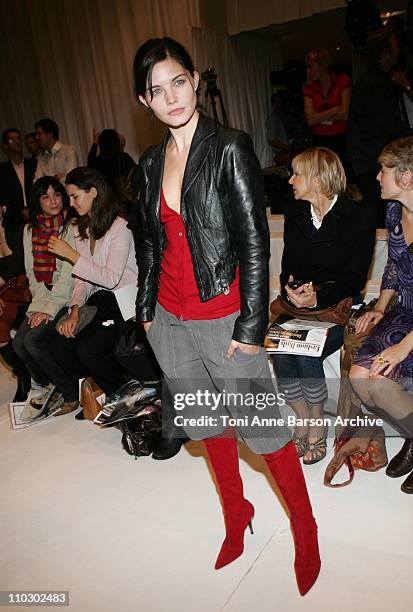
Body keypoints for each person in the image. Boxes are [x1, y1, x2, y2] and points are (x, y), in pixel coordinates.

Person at [129, 36, 320, 596]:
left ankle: (305, 531)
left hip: (224, 319)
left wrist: (250, 326)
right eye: (157, 91)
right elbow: (149, 245)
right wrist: (146, 312)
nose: (172, 98)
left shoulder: (230, 146)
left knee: (265, 430)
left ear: (193, 78)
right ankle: (237, 513)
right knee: (207, 424)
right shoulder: (147, 163)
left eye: (179, 83)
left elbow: (256, 244)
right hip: (169, 321)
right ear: (145, 102)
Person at [272, 147, 376, 464]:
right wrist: (293, 291)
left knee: (305, 351)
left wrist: (317, 296)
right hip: (300, 306)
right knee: (278, 346)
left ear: (317, 179)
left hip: (335, 305)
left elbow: (354, 278)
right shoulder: (296, 213)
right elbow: (288, 266)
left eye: (297, 173)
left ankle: (317, 423)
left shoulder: (359, 215)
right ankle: (302, 417)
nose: (290, 180)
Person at [46, 167, 138, 417]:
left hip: (124, 303)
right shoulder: (81, 227)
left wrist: (71, 255)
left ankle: (123, 399)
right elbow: (81, 280)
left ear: (94, 192)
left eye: (75, 196)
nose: (71, 203)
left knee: (87, 348)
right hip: (100, 303)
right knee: (58, 343)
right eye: (71, 197)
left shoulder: (121, 227)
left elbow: (110, 278)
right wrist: (75, 310)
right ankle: (100, 390)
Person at [350, 136, 413, 495]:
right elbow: (393, 265)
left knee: (381, 380)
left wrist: (403, 347)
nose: (377, 177)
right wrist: (378, 307)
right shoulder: (393, 212)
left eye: (384, 170)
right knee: (361, 379)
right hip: (403, 308)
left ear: (405, 177)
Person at [13, 177, 76, 418]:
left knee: (33, 342)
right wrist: (37, 306)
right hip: (44, 296)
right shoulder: (30, 229)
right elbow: (32, 273)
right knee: (19, 344)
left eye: (57, 194)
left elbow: (69, 275)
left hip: (68, 295)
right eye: (45, 196)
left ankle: (70, 394)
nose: (53, 201)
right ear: (37, 201)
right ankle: (51, 384)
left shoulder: (70, 225)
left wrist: (49, 309)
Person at [347, 29, 412, 226]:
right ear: (384, 54)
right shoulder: (377, 84)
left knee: (382, 214)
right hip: (373, 159)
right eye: (395, 47)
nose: (398, 50)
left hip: (366, 159)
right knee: (383, 216)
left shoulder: (370, 81)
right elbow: (390, 125)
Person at [0, 203, 31, 401]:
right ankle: (23, 374)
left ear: (3, 208)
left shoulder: (20, 229)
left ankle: (33, 369)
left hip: (22, 285)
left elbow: (20, 264)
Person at [304, 48, 351, 161]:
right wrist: (334, 110)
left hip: (341, 137)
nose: (308, 71)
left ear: (322, 65)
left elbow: (345, 114)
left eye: (311, 67)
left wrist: (319, 117)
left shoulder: (342, 81)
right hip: (320, 139)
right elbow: (310, 120)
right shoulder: (310, 89)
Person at [87, 129, 135, 213]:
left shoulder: (98, 161)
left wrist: (95, 143)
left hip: (106, 204)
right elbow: (136, 174)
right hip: (125, 203)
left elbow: (90, 164)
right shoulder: (124, 157)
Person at [0, 128, 37, 221]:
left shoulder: (34, 164)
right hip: (14, 220)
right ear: (5, 146)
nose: (17, 142)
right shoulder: (2, 170)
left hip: (37, 215)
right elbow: (4, 197)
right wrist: (20, 211)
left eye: (19, 139)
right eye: (12, 140)